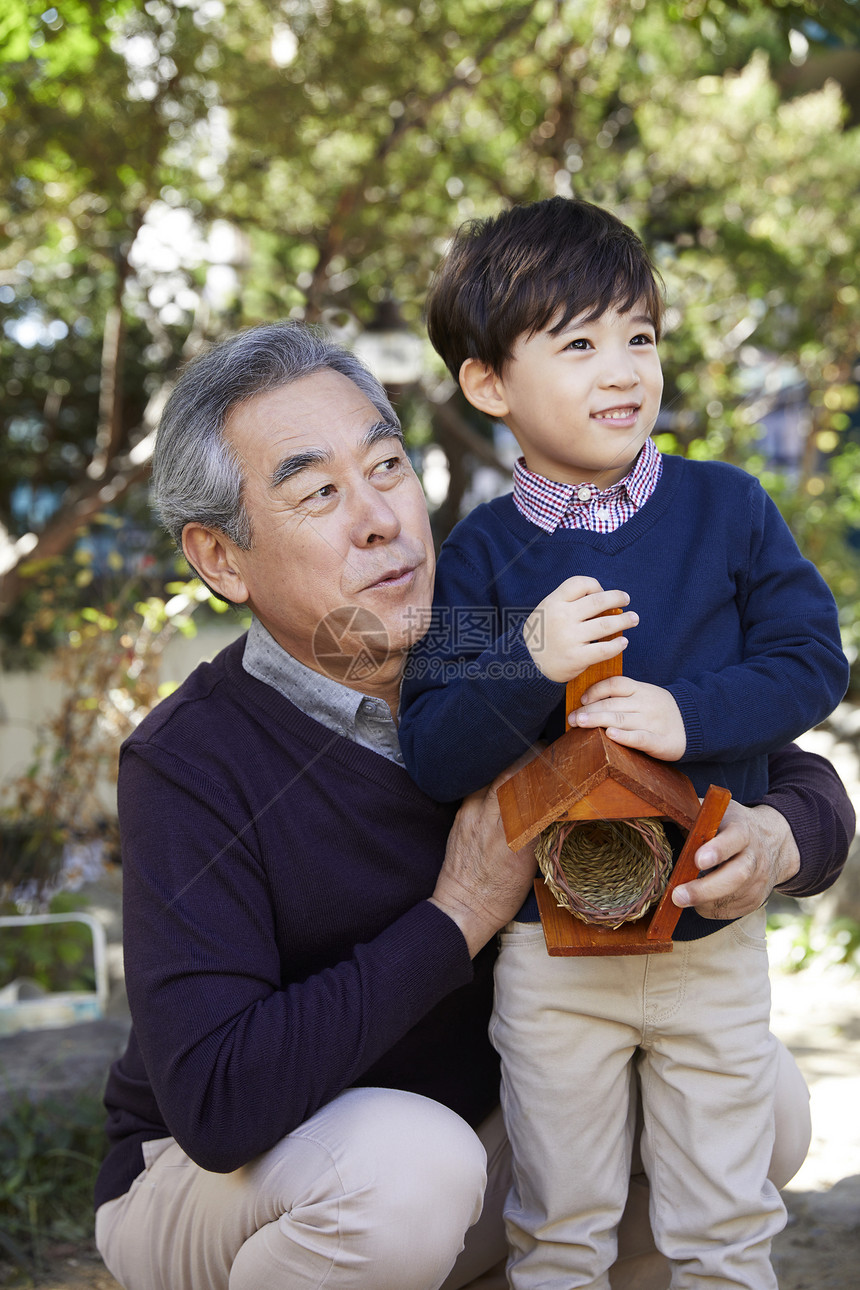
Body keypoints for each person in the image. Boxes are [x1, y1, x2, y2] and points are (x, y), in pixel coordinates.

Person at [93, 321, 854, 1290]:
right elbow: (216, 1103)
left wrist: (779, 837)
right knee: (403, 1173)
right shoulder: (189, 760)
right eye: (319, 493)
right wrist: (456, 916)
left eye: (385, 467)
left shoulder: (507, 643)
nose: (379, 519)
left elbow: (783, 770)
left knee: (760, 1106)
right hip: (228, 1183)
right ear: (220, 559)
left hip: (469, 1135)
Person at [398, 198, 850, 1288]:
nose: (621, 369)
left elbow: (810, 660)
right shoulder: (475, 561)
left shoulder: (727, 510)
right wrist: (526, 663)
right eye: (578, 343)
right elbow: (432, 751)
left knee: (726, 1224)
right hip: (550, 959)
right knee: (557, 1231)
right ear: (489, 386)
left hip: (709, 942)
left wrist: (686, 714)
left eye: (637, 337)